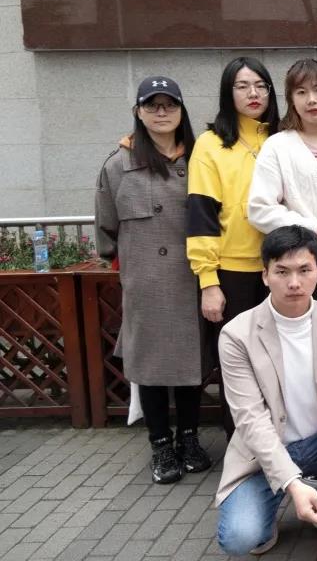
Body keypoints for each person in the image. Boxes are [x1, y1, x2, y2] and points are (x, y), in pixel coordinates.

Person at [215, 225, 317, 557]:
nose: (294, 282)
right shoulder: (236, 335)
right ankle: (291, 496)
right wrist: (291, 482)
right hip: (264, 454)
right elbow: (250, 420)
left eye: (304, 270)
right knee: (240, 537)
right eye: (282, 271)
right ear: (265, 275)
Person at [95, 76, 212, 484]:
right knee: (150, 369)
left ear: (181, 111)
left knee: (191, 366)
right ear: (138, 112)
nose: (161, 113)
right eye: (152, 105)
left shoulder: (199, 158)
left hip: (191, 279)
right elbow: (106, 230)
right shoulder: (117, 165)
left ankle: (190, 439)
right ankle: (161, 445)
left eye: (170, 105)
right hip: (144, 283)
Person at [187, 56, 280, 437]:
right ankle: (242, 448)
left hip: (282, 270)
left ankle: (282, 447)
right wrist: (208, 281)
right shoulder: (210, 145)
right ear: (228, 94)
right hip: (233, 273)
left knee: (281, 363)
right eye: (242, 86)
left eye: (260, 85)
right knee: (238, 366)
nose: (252, 93)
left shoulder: (281, 139)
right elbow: (201, 215)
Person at [248, 59, 317, 307]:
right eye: (301, 92)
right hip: (300, 260)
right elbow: (259, 210)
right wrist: (312, 227)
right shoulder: (277, 146)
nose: (312, 100)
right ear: (291, 100)